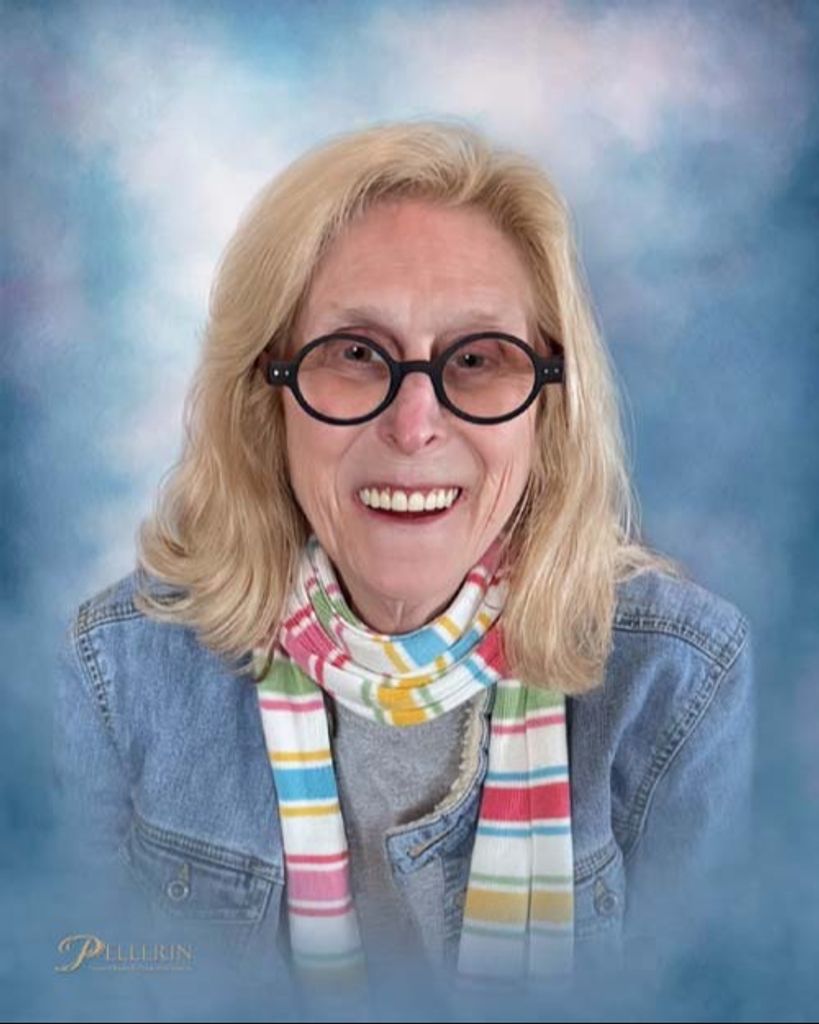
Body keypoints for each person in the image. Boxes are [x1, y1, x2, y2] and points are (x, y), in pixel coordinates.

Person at [52, 118, 754, 1022]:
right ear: (267, 391)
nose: (415, 425)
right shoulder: (116, 674)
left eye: (478, 359)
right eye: (354, 354)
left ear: (548, 403)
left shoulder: (680, 681)